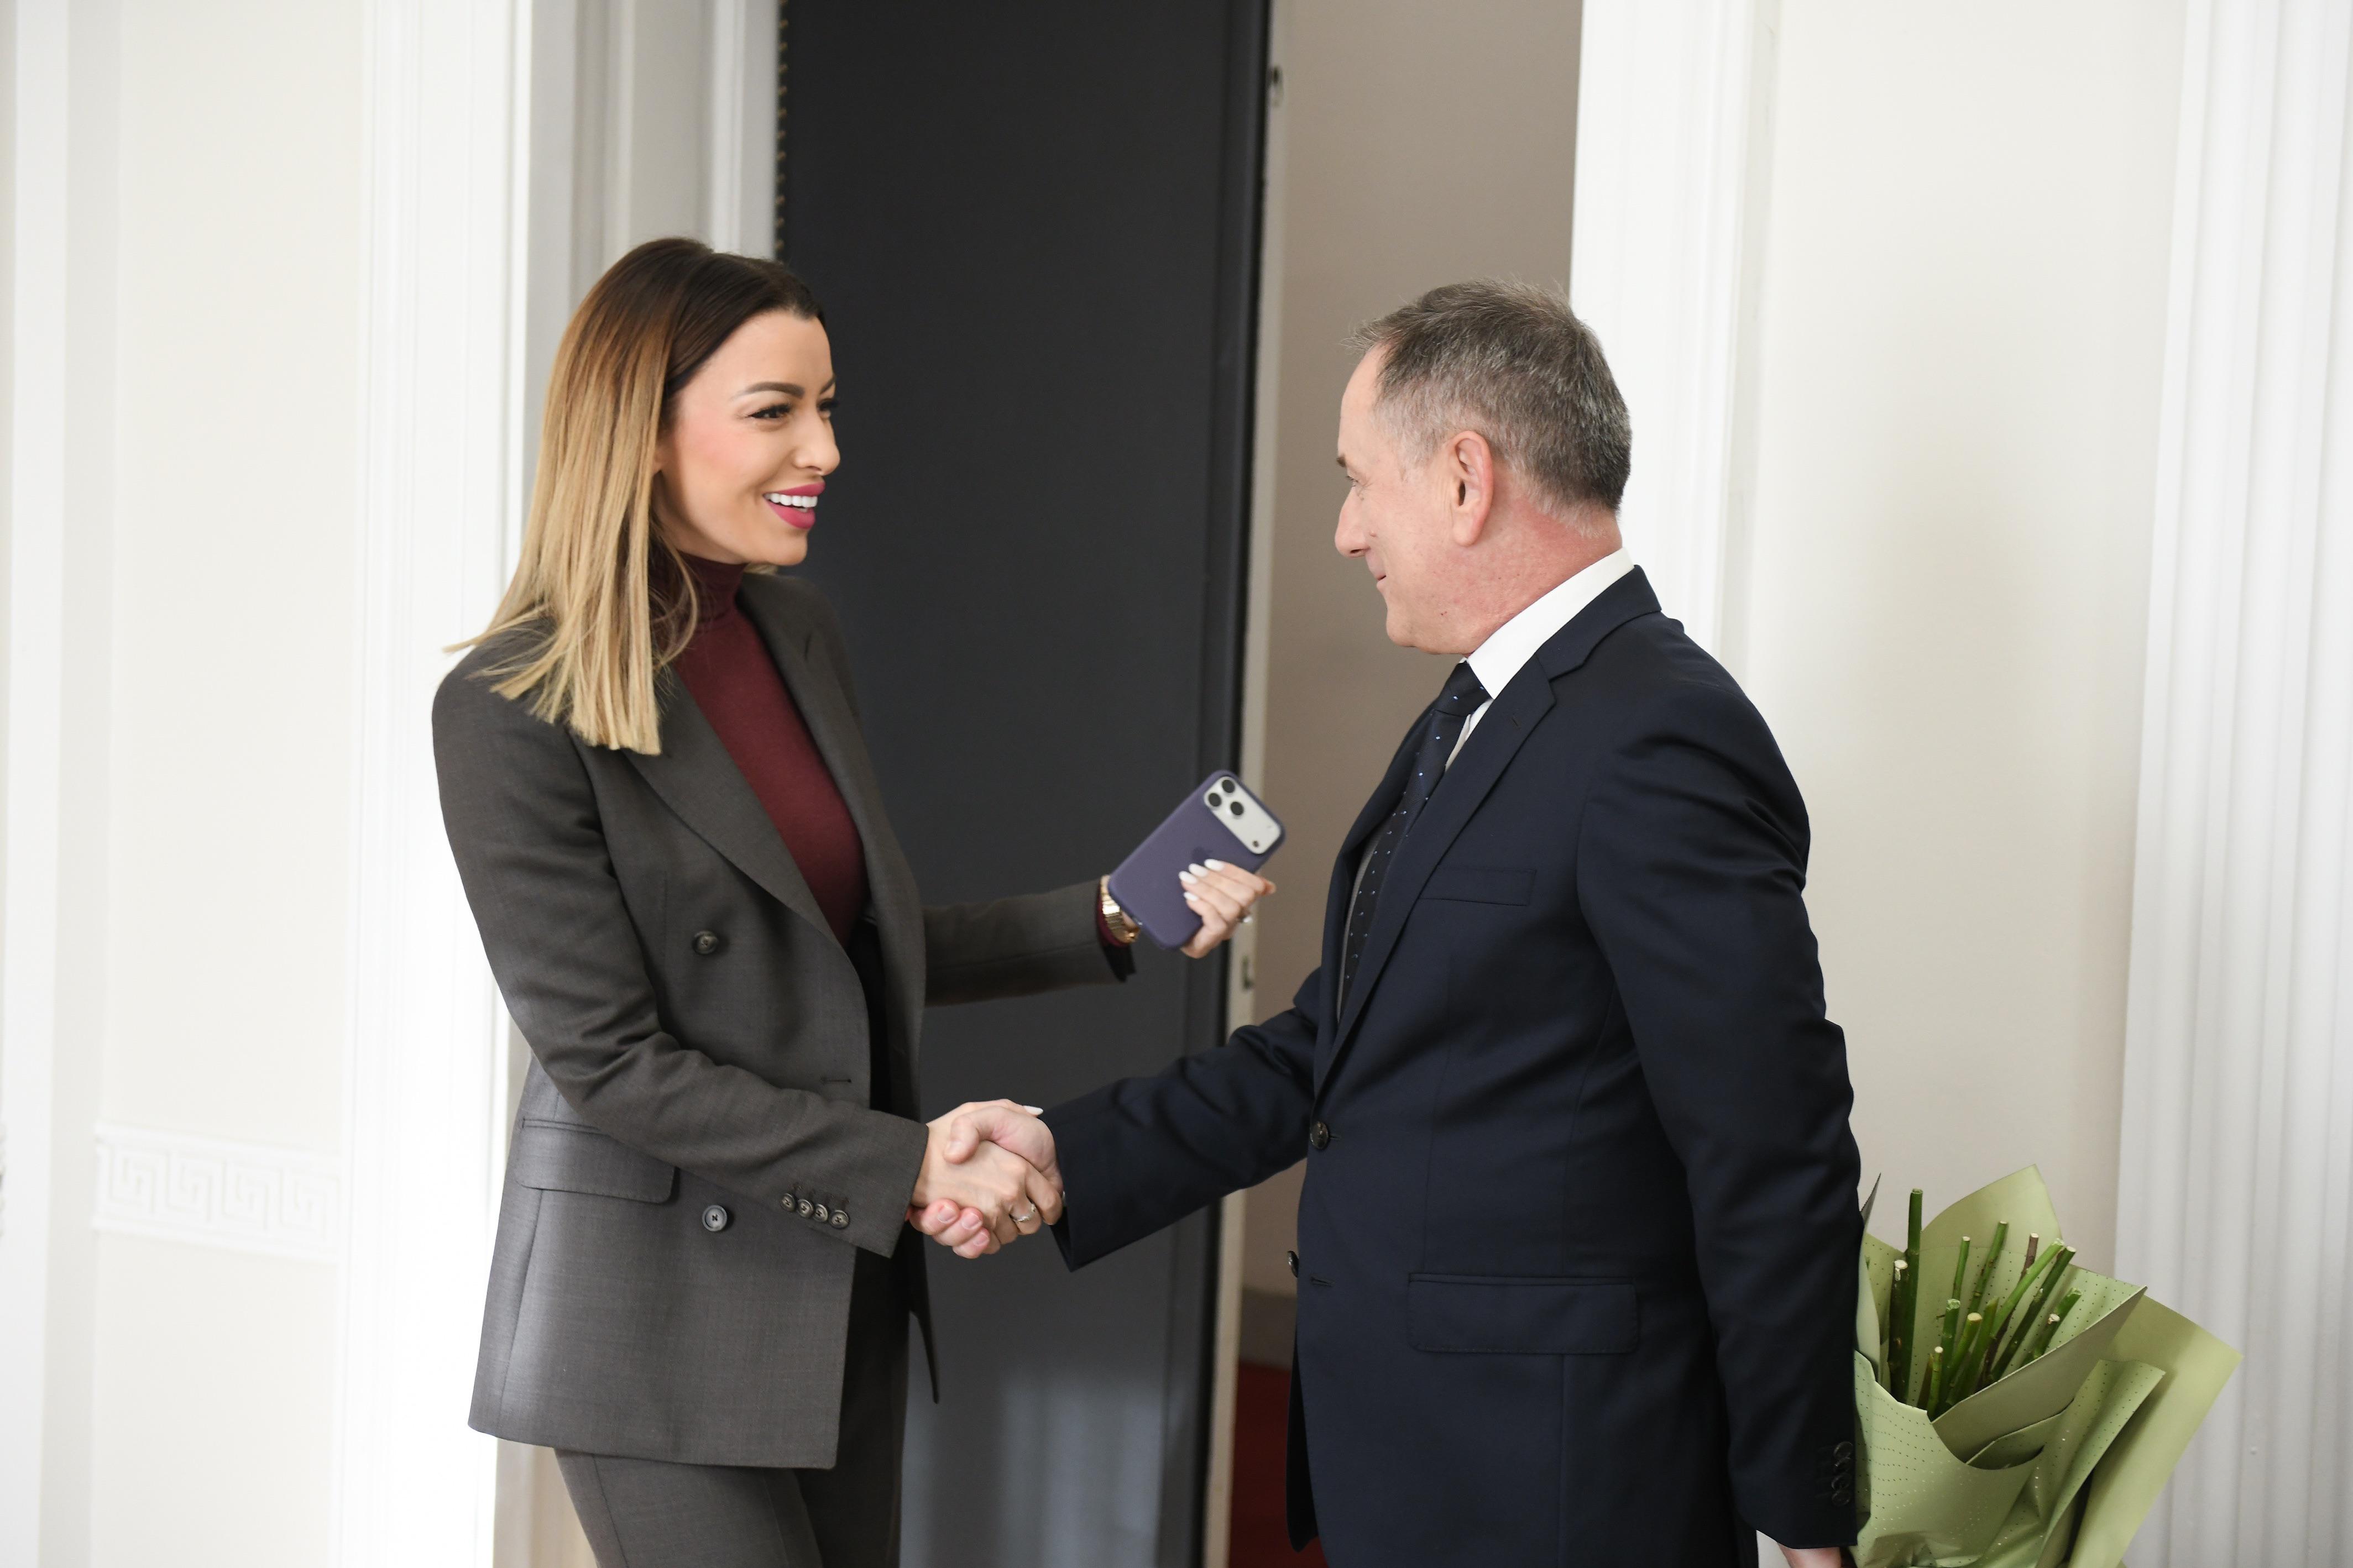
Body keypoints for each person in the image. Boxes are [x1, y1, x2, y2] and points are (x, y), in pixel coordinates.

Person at [925, 282, 1862, 1566]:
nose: (1345, 530)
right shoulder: (1482, 711)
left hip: (1559, 1493)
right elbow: (1339, 1051)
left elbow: (1769, 1145)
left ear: (1465, 479)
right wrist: (1062, 1148)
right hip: (1427, 1470)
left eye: (1360, 482)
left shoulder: (1659, 734)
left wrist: (1805, 1521)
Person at [432, 236, 1269, 1568]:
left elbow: (833, 953)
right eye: (776, 411)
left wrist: (1110, 914)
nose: (822, 450)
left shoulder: (795, 633)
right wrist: (908, 1163)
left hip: (832, 1282)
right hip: (652, 1313)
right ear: (641, 430)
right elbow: (609, 1061)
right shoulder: (508, 707)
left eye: (826, 408)